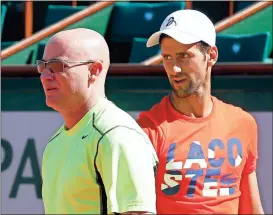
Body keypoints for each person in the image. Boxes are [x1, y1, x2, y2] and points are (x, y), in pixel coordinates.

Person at [137, 9, 264, 214]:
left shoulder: (243, 123)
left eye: (183, 56)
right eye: (167, 57)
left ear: (211, 55)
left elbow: (251, 207)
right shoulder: (147, 130)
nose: (173, 69)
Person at [38, 28, 158, 214]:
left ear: (94, 70)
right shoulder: (55, 142)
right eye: (42, 66)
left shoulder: (117, 135)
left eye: (56, 66)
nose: (45, 76)